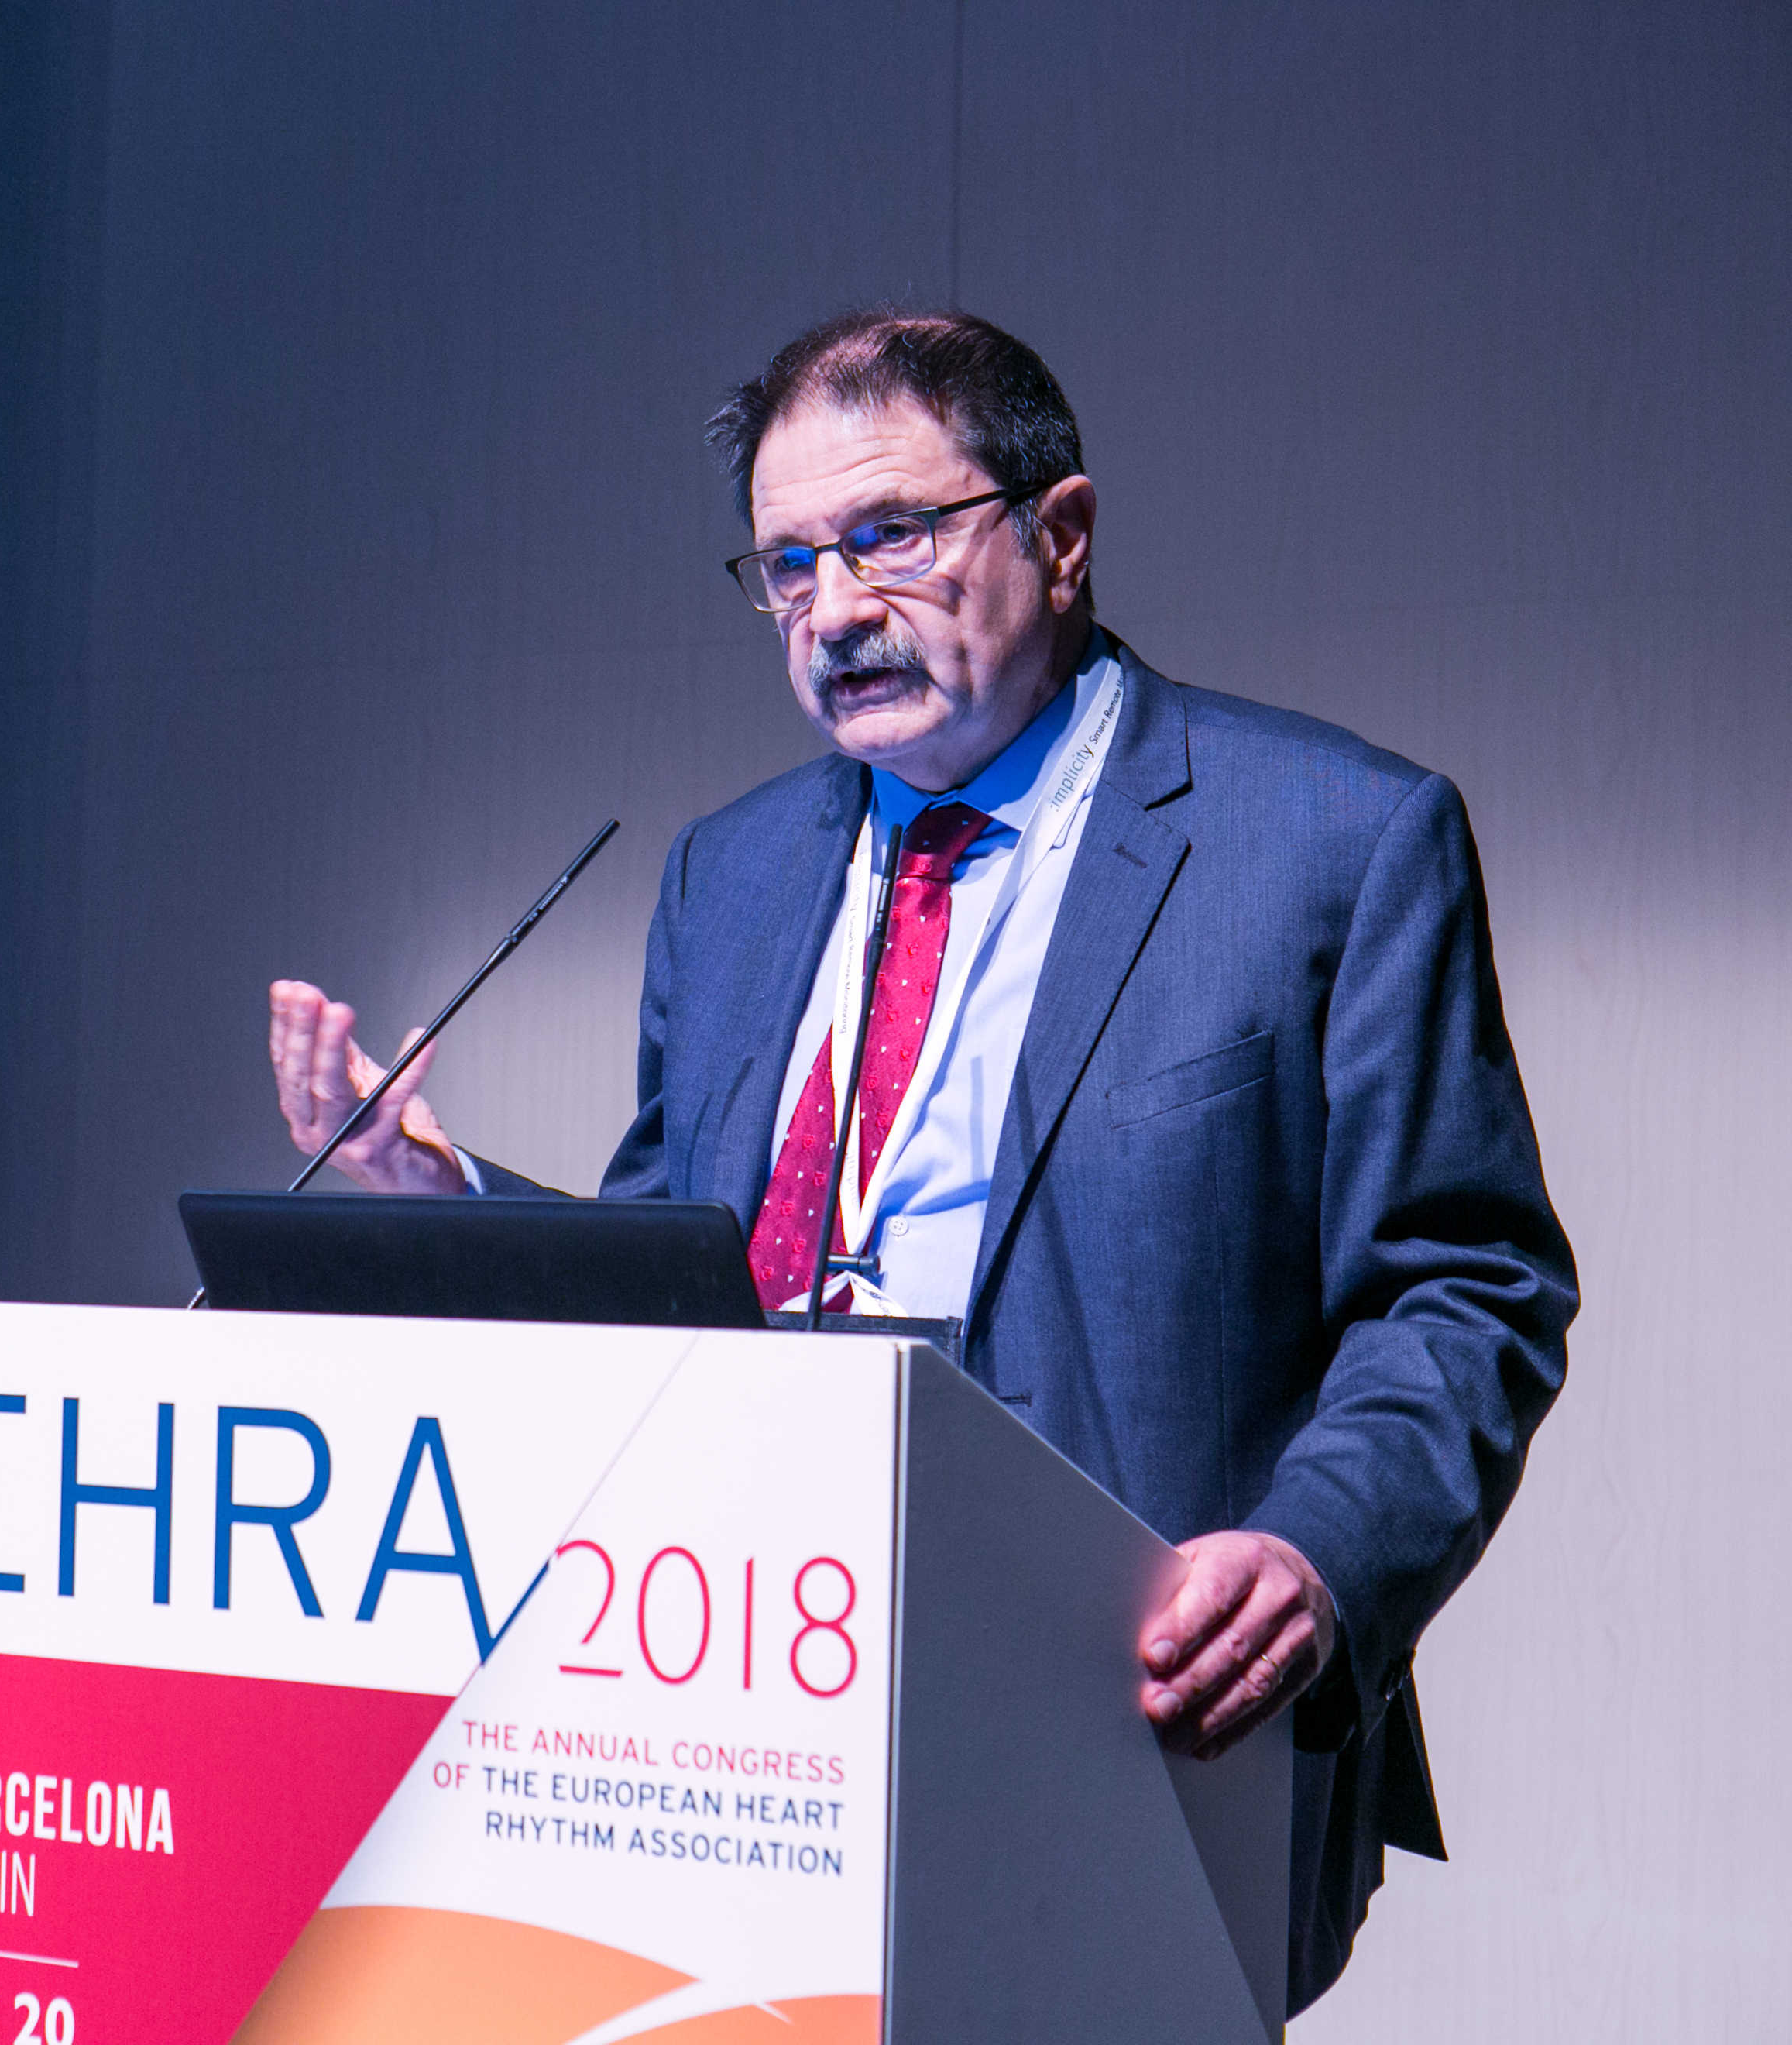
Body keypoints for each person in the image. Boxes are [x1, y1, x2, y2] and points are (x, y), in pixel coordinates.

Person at [263, 307, 1576, 2012]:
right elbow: (678, 1287)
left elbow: (1466, 1289)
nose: (834, 610)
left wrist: (1317, 1557)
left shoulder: (1329, 842)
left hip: (1140, 1727)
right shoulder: (729, 875)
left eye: (890, 535)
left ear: (1062, 533)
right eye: (788, 565)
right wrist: (449, 1204)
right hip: (746, 1720)